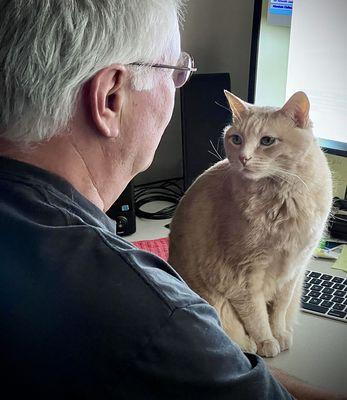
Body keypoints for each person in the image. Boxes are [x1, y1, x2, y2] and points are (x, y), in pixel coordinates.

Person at [0, 1, 345, 399]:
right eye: (178, 70)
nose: (181, 82)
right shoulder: (155, 315)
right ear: (112, 97)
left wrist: (219, 359)